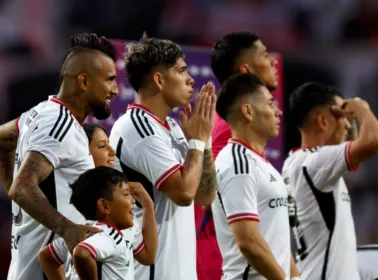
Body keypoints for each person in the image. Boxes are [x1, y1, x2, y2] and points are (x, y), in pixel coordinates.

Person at [1, 33, 119, 280]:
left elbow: (1, 143)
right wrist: (69, 230)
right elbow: (22, 189)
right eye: (110, 80)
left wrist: (21, 213)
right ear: (84, 81)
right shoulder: (60, 125)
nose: (116, 90)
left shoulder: (39, 113)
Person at [109, 34, 217, 280]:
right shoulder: (138, 127)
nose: (191, 80)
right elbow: (183, 193)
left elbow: (204, 195)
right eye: (181, 71)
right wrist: (197, 141)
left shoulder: (172, 126)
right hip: (152, 272)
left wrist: (204, 141)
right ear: (158, 79)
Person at [196, 30, 279, 280]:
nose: (274, 60)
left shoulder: (233, 127)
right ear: (245, 71)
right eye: (265, 55)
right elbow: (211, 199)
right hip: (227, 263)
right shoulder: (228, 131)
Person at [282, 82, 378, 280]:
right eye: (342, 118)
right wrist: (363, 109)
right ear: (322, 121)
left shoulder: (295, 163)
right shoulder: (316, 162)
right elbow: (373, 141)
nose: (347, 125)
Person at [212, 73, 300, 280]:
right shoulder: (237, 164)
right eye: (270, 104)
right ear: (248, 111)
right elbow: (248, 242)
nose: (278, 112)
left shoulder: (261, 163)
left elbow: (276, 238)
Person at [37, 166, 152, 279]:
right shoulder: (109, 236)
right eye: (126, 194)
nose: (133, 200)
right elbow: (82, 253)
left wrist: (148, 205)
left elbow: (46, 256)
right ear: (104, 206)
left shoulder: (80, 233)